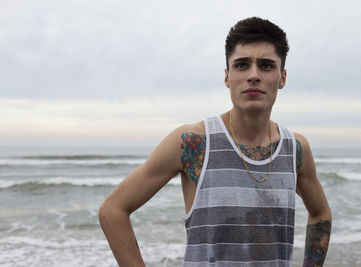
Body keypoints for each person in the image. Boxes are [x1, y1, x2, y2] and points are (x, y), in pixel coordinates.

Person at [99, 17, 332, 267]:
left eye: (266, 66)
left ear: (282, 77)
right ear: (227, 77)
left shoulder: (295, 148)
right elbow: (113, 210)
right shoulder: (192, 142)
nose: (253, 75)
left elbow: (320, 213)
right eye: (242, 65)